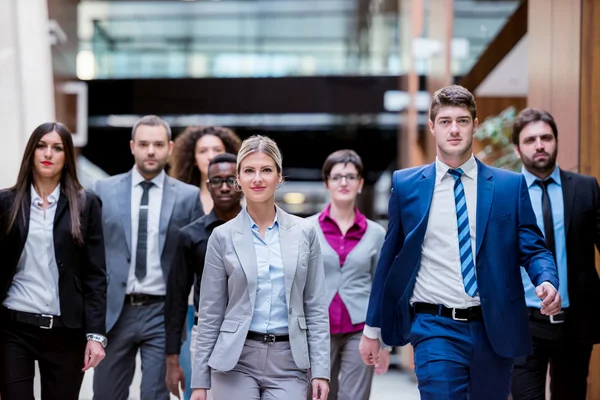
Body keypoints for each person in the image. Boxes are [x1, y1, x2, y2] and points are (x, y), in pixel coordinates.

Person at [359, 85, 562, 400]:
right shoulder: (407, 185)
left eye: (462, 121)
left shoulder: (509, 186)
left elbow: (533, 247)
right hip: (433, 326)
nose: (454, 129)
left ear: (475, 125)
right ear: (432, 127)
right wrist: (373, 330)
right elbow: (390, 261)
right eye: (445, 121)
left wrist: (546, 278)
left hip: (493, 328)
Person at [190, 135, 330, 400]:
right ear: (238, 180)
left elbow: (315, 307)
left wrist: (321, 370)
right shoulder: (222, 236)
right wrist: (200, 382)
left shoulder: (305, 232)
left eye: (266, 170)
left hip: (289, 362)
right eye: (249, 171)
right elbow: (210, 313)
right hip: (235, 360)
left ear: (279, 177)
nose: (258, 178)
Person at [92, 115, 203, 400]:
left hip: (162, 312)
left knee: (156, 395)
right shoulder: (103, 190)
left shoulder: (188, 197)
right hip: (115, 312)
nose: (150, 151)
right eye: (143, 144)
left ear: (170, 147)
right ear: (132, 147)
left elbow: (199, 258)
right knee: (106, 394)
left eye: (157, 144)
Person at [0, 122, 107, 400]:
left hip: (66, 330)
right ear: (31, 153)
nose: (48, 153)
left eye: (57, 148)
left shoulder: (86, 204)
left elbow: (95, 275)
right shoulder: (6, 203)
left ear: (67, 156)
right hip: (14, 326)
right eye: (41, 145)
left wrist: (95, 335)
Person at [510, 108, 600, 400]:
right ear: (517, 148)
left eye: (546, 137)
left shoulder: (586, 188)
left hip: (575, 320)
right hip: (523, 320)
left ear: (556, 141)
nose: (539, 145)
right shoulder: (505, 193)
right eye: (530, 139)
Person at [306, 149, 388, 400]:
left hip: (361, 329)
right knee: (317, 396)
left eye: (351, 177)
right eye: (337, 176)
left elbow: (382, 289)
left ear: (361, 183)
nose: (344, 182)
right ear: (326, 183)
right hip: (318, 328)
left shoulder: (376, 233)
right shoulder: (305, 229)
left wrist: (383, 342)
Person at [168, 126, 242, 399]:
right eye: (203, 150)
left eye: (230, 180)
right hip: (201, 317)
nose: (224, 186)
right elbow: (176, 294)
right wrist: (172, 357)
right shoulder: (189, 222)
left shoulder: (260, 225)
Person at [169, 126, 242, 215]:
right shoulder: (182, 201)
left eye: (217, 150)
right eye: (203, 151)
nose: (210, 156)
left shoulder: (244, 198)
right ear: (194, 159)